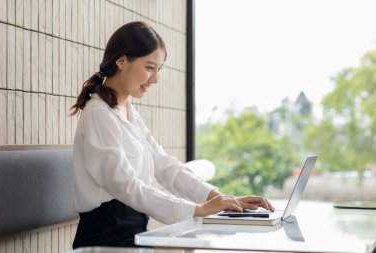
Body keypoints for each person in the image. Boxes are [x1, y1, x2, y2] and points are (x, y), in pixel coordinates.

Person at [70, 21, 275, 249]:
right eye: (149, 67)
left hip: (133, 238)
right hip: (105, 242)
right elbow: (127, 186)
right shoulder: (99, 114)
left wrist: (218, 198)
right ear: (121, 61)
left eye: (159, 69)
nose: (155, 79)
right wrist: (196, 210)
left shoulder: (127, 111)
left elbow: (166, 167)